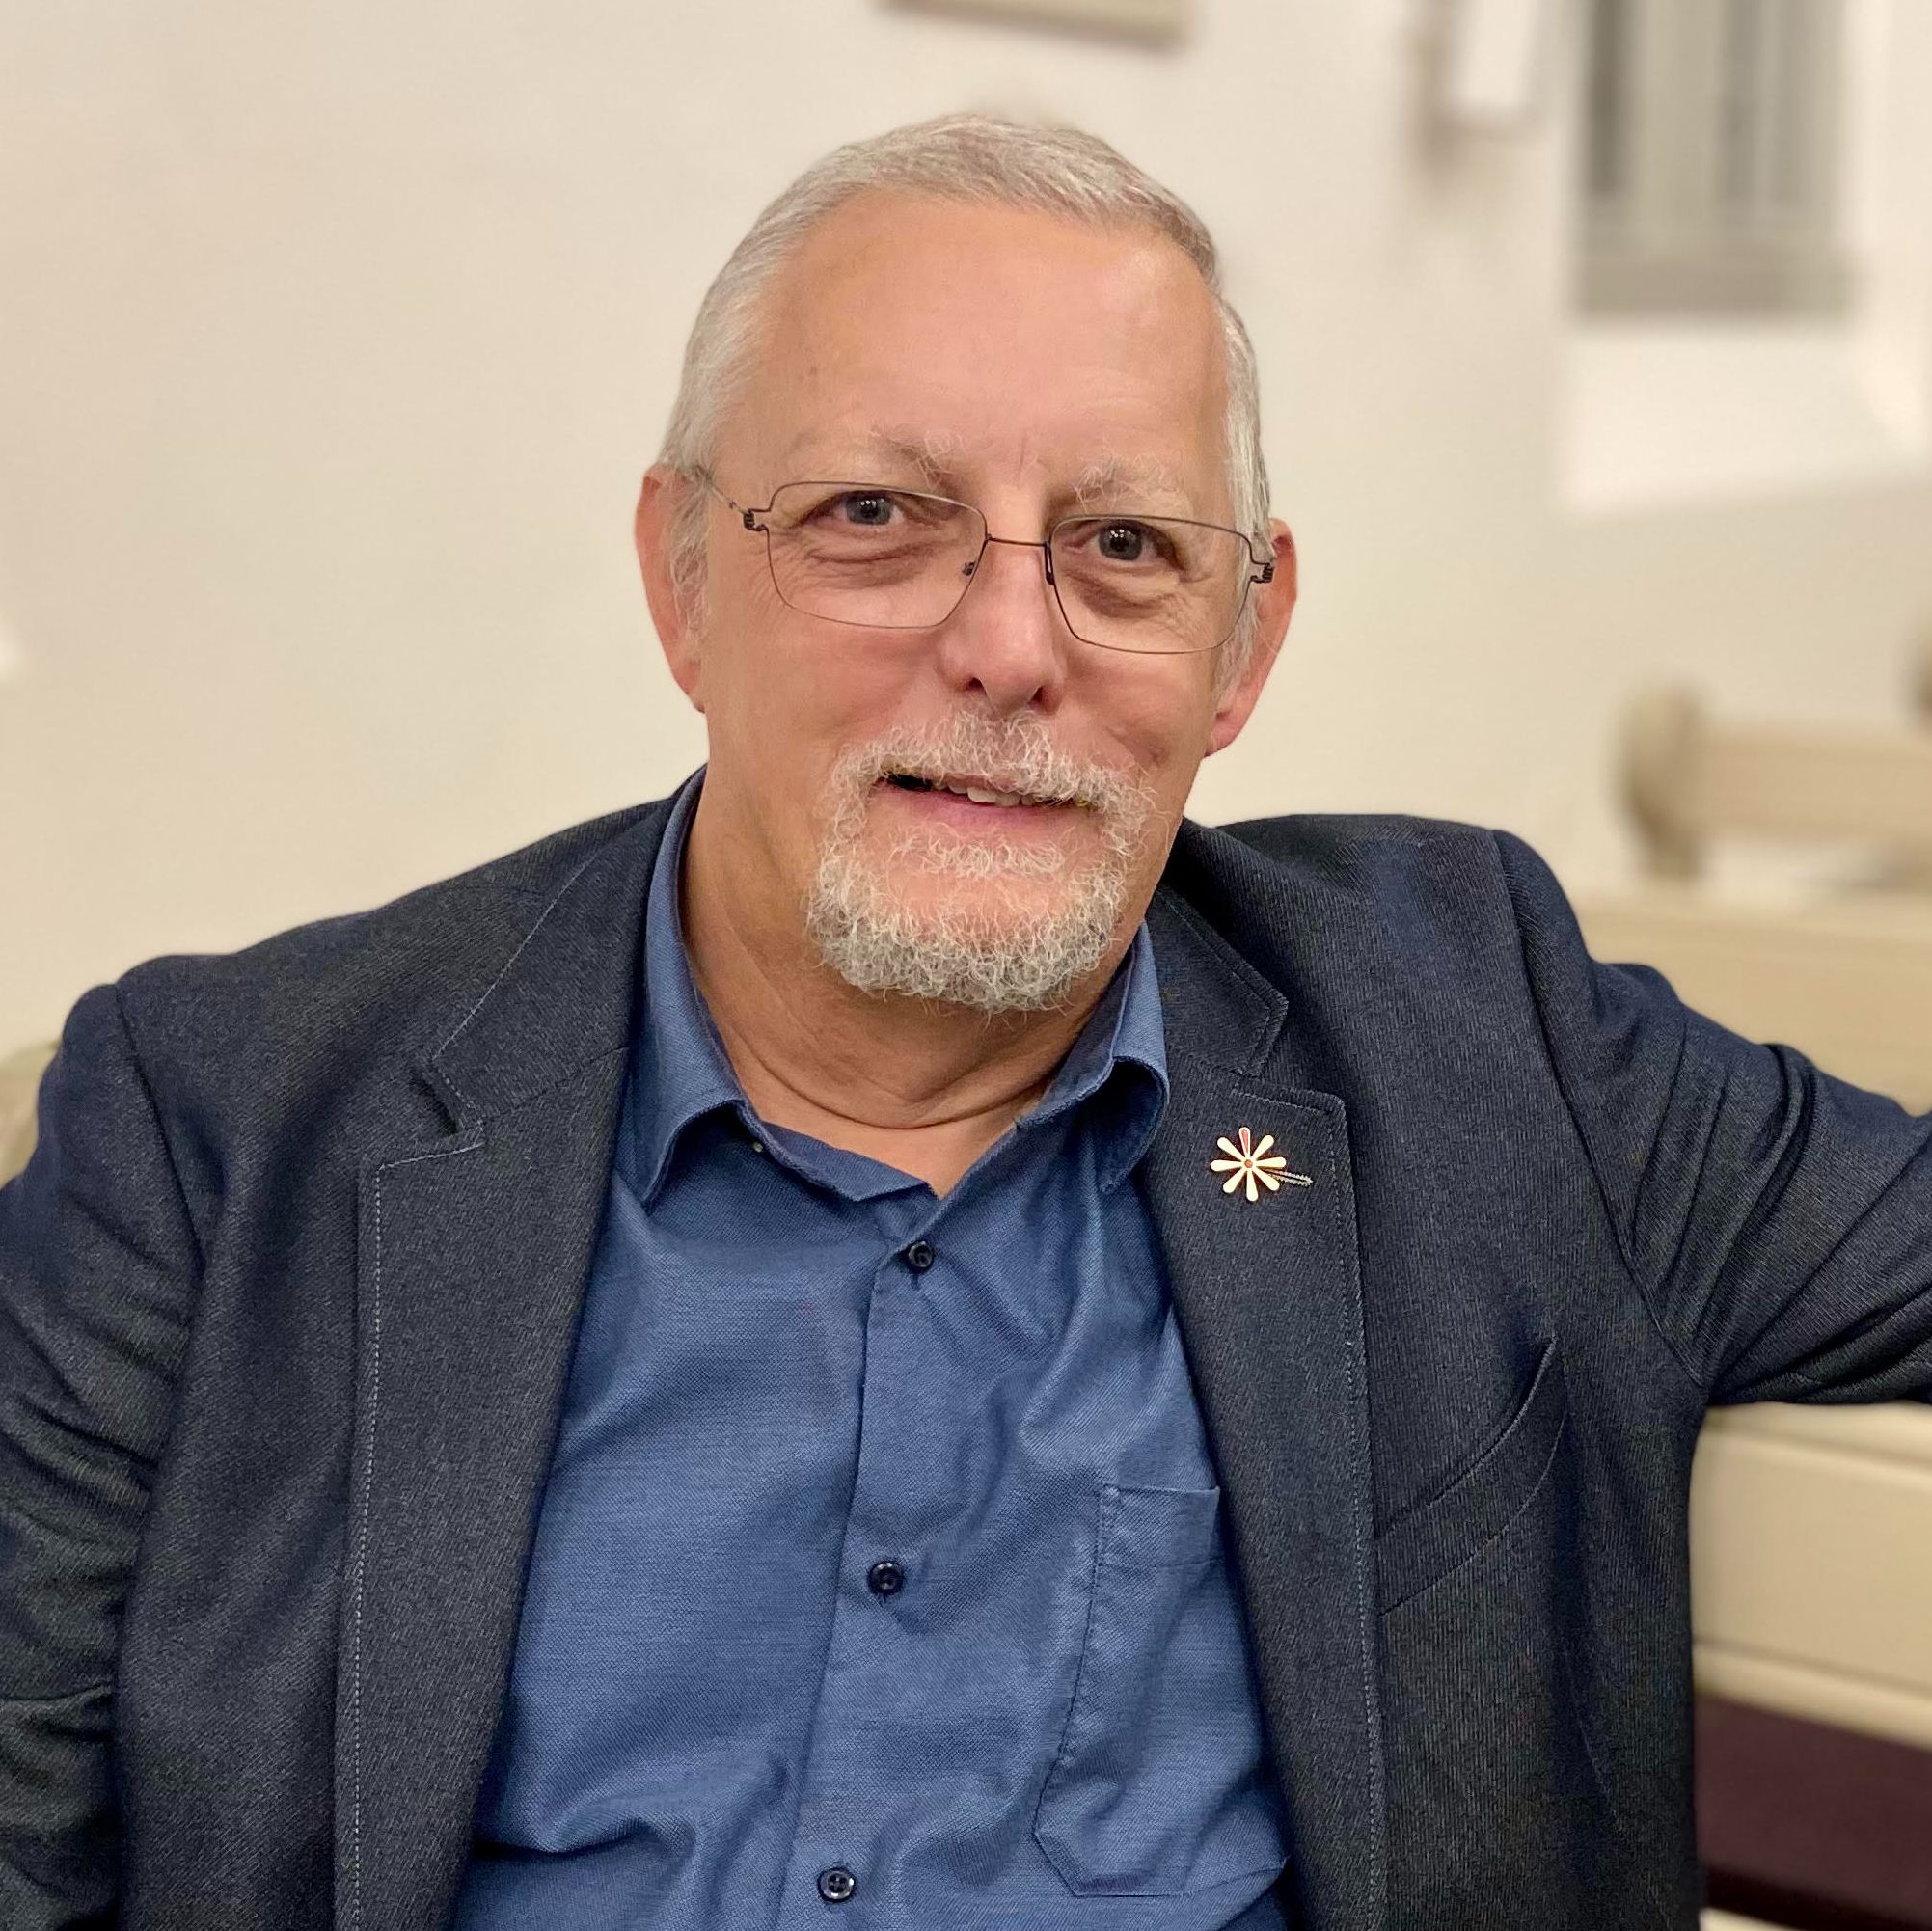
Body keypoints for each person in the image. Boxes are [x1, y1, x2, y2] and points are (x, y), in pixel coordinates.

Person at [1, 111, 1927, 1931]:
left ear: (1244, 643)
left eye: (1124, 546)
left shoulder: (1478, 1038)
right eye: (875, 513)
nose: (1011, 647)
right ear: (684, 579)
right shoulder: (219, 1127)